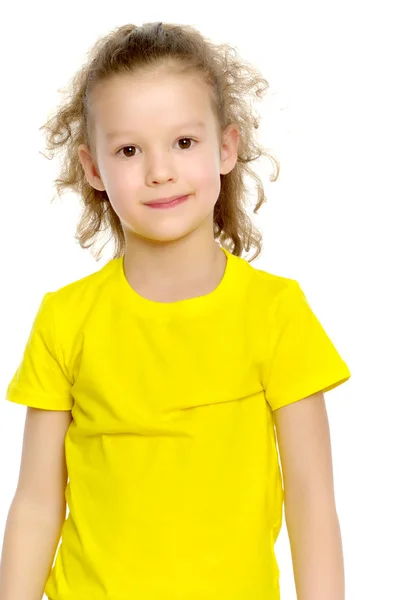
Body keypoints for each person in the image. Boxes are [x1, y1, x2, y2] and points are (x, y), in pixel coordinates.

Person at [0, 21, 351, 600]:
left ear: (227, 149)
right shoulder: (65, 319)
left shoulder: (276, 312)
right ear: (93, 169)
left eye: (183, 142)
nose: (159, 170)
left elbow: (312, 501)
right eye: (129, 149)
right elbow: (36, 502)